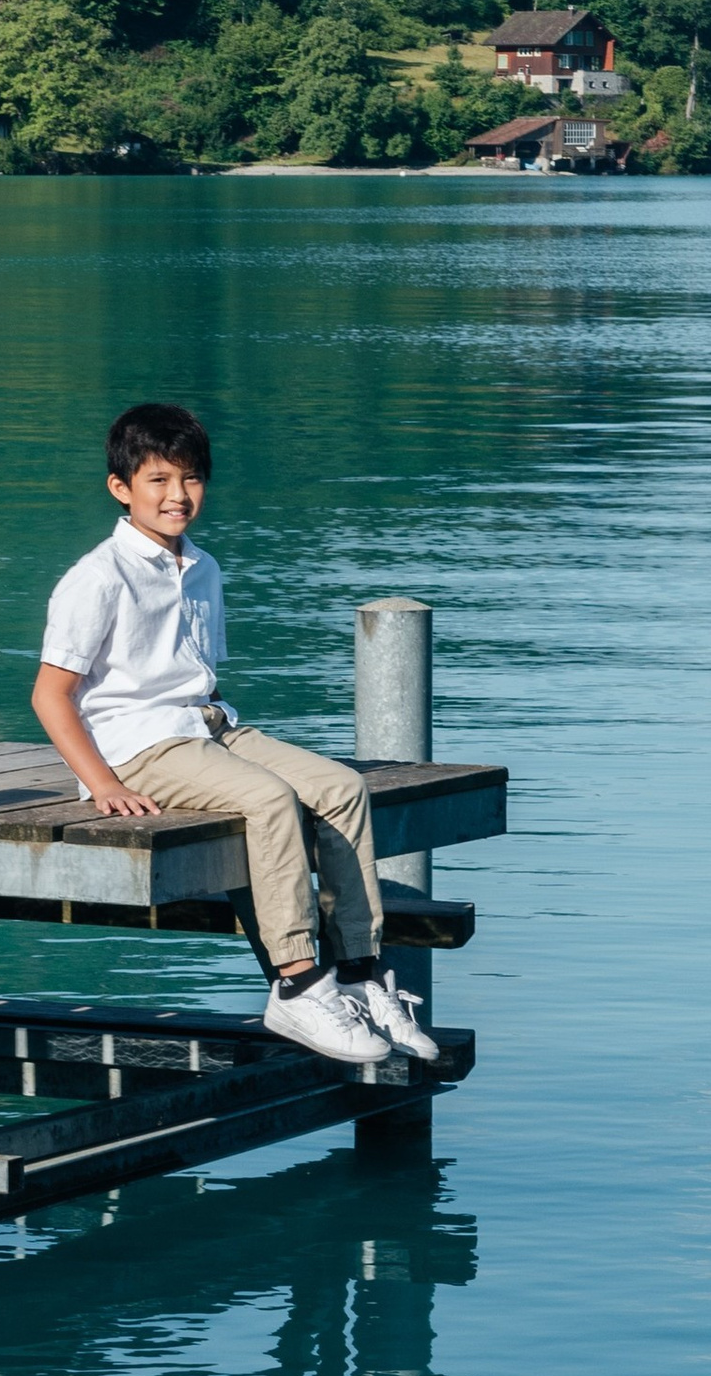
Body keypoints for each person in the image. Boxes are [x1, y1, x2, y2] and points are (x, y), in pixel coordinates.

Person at [31, 400, 438, 1070]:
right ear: (121, 488)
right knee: (269, 801)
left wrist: (223, 734)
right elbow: (51, 696)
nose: (177, 495)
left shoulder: (204, 569)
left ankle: (361, 976)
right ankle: (298, 983)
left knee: (341, 788)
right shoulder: (98, 577)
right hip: (138, 746)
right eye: (158, 480)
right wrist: (101, 782)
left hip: (208, 726)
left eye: (190, 479)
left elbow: (197, 679)